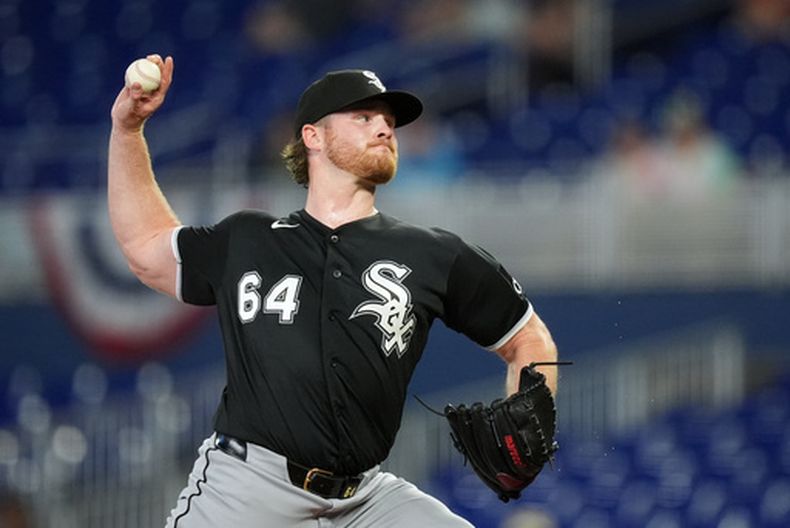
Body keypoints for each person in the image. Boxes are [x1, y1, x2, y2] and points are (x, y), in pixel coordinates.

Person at [109, 54, 558, 527]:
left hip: (365, 500)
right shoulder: (248, 240)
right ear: (313, 136)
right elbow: (145, 247)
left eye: (389, 122)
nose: (384, 128)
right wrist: (128, 131)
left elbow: (528, 337)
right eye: (363, 117)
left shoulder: (435, 254)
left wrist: (531, 410)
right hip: (247, 490)